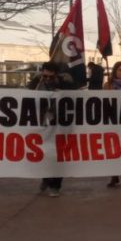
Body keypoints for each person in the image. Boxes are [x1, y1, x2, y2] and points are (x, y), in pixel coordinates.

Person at [27, 61, 76, 197]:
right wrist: (37, 80)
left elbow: (74, 94)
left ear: (56, 74)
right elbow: (28, 93)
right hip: (44, 123)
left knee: (59, 155)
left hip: (61, 123)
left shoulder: (64, 81)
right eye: (45, 76)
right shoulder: (38, 82)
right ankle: (46, 178)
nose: (47, 79)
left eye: (50, 77)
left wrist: (61, 87)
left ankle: (55, 185)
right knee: (45, 153)